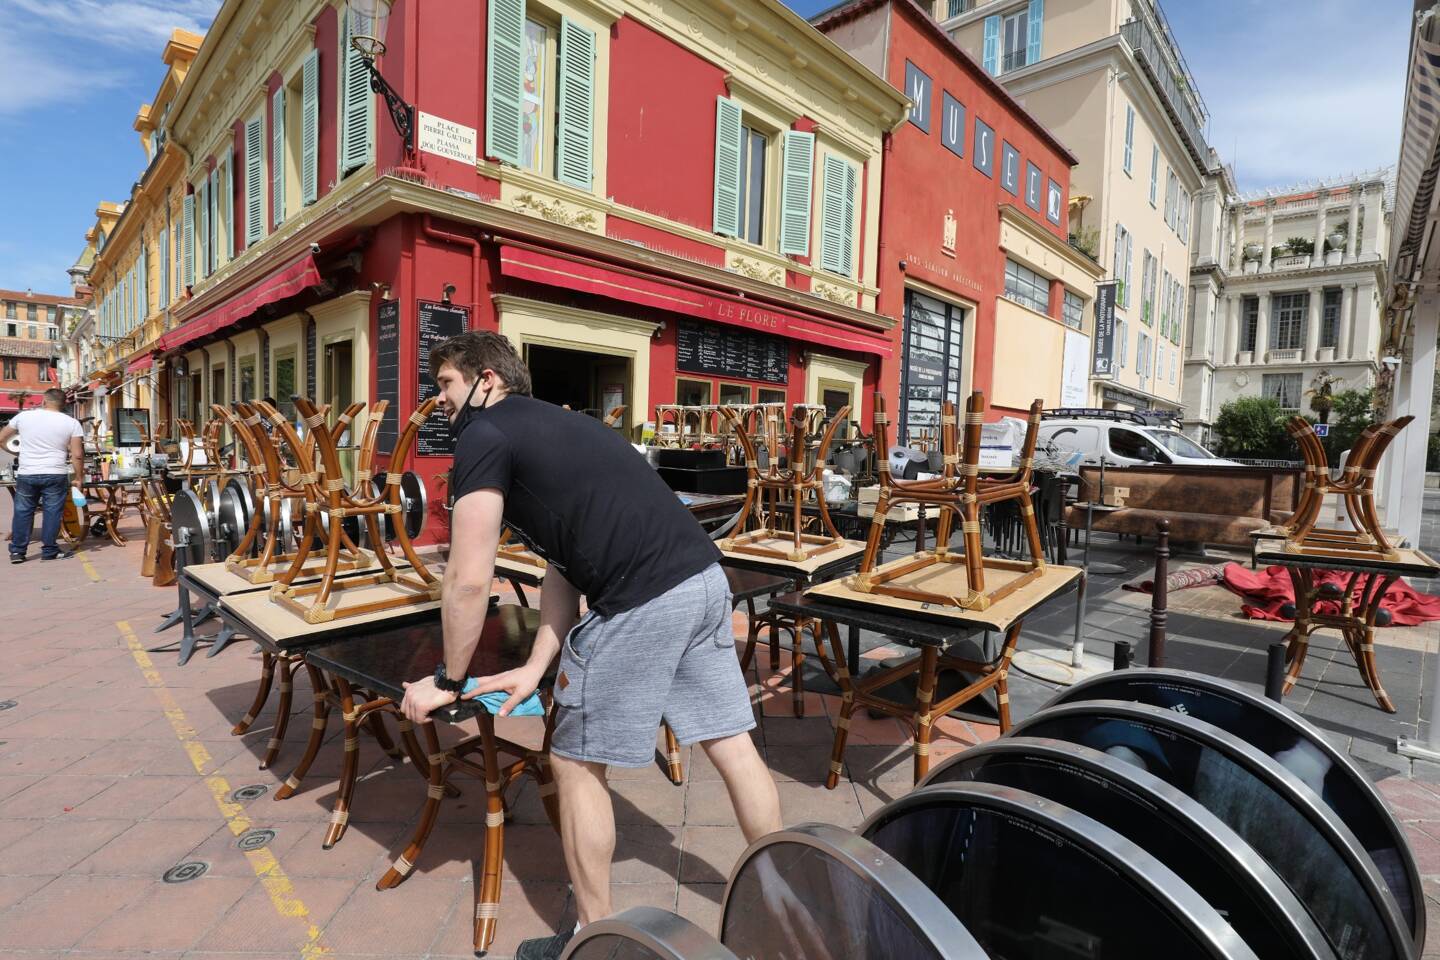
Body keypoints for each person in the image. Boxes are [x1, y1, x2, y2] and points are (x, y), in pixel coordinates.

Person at [400, 331, 781, 960]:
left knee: (574, 762)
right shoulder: (564, 428)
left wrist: (447, 681)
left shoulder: (483, 435)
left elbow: (468, 579)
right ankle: (784, 897)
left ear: (486, 381)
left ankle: (592, 941)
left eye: (445, 384)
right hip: (704, 582)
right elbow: (564, 564)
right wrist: (534, 667)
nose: (440, 401)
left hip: (644, 601)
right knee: (731, 743)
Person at [0, 388, 83, 563]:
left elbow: (1, 439)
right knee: (52, 512)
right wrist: (79, 478)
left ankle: (17, 551)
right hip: (55, 472)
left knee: (23, 511)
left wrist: (17, 453)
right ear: (64, 404)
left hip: (27, 472)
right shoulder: (71, 422)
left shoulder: (23, 417)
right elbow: (77, 454)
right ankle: (49, 550)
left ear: (44, 401)